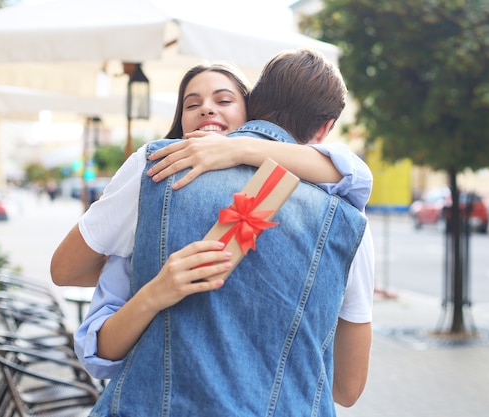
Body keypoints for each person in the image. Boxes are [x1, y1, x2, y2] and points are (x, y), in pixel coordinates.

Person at [53, 49, 374, 415]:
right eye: (193, 103)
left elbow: (64, 274)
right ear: (326, 128)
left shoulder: (155, 167)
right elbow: (347, 389)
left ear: (253, 105)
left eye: (223, 99)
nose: (208, 111)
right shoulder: (349, 219)